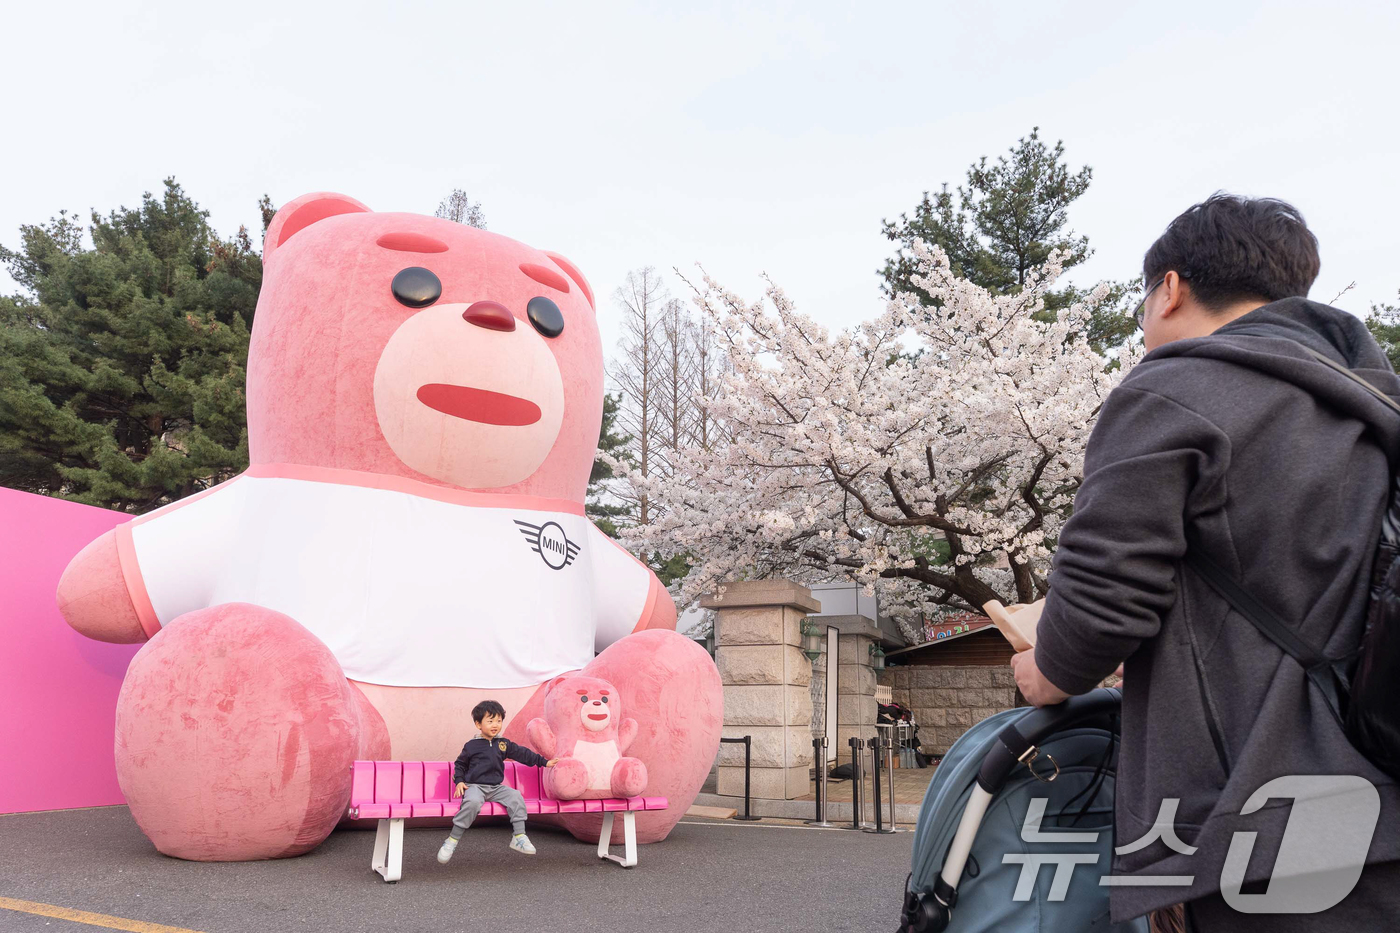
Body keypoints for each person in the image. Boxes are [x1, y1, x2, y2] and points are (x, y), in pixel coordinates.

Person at [1010, 194, 1400, 931]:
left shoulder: (1175, 389)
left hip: (1267, 825)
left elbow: (1101, 603)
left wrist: (1045, 668)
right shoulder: (1371, 406)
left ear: (1171, 287)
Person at [437, 700, 558, 862]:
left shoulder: (503, 743)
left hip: (495, 788)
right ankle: (452, 840)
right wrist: (459, 781)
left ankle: (519, 836)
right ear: (478, 724)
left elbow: (522, 754)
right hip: (475, 787)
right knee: (472, 802)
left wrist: (544, 762)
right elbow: (460, 765)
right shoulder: (471, 746)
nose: (495, 725)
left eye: (499, 721)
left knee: (515, 796)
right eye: (490, 720)